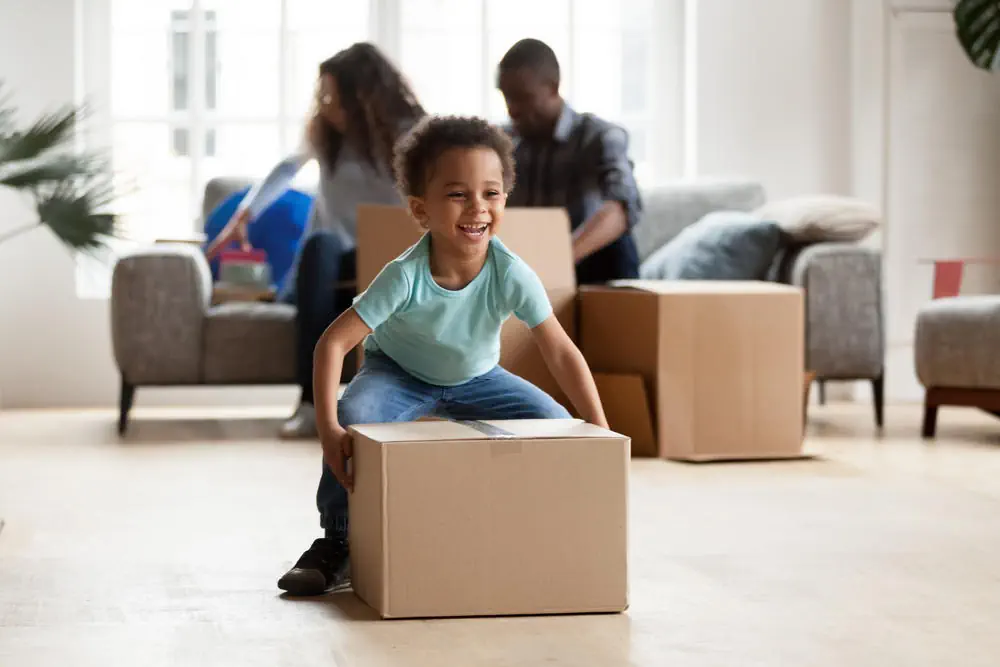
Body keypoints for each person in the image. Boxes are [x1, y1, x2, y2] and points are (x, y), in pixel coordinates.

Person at [276, 115, 610, 596]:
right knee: (356, 414)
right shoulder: (404, 275)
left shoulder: (511, 272)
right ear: (420, 209)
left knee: (555, 425)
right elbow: (333, 343)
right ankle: (338, 542)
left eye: (491, 193)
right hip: (399, 374)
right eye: (457, 194)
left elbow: (558, 349)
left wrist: (596, 425)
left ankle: (540, 531)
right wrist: (328, 427)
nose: (477, 207)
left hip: (478, 377)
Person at [205, 42, 426, 439]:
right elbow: (286, 170)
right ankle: (310, 404)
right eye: (321, 95)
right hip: (330, 264)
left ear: (363, 97)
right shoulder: (327, 138)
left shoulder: (411, 135)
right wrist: (244, 215)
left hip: (390, 261)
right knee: (318, 246)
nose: (325, 104)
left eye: (333, 95)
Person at [496, 38, 643, 285]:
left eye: (522, 98)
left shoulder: (599, 136)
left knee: (617, 241)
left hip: (591, 264)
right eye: (507, 98)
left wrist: (558, 262)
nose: (513, 110)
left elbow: (622, 207)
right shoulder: (506, 143)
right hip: (529, 262)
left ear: (553, 88)